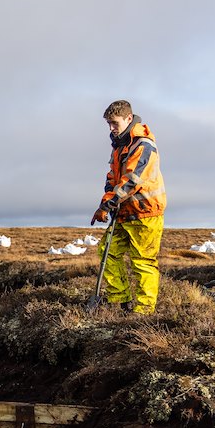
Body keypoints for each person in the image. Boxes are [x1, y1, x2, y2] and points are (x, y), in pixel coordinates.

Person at [91, 100, 167, 314]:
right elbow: (112, 178)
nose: (111, 128)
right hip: (124, 211)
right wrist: (105, 204)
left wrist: (109, 204)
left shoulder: (143, 145)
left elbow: (132, 181)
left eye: (114, 123)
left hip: (145, 213)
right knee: (108, 250)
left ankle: (144, 310)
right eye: (108, 124)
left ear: (128, 118)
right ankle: (120, 300)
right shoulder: (119, 146)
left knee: (142, 261)